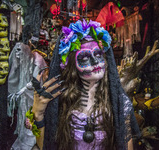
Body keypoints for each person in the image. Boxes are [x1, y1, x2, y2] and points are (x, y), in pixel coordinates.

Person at [27, 19, 140, 150]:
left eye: (98, 55)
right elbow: (46, 146)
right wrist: (39, 115)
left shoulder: (118, 103)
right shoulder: (60, 102)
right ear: (72, 65)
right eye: (85, 58)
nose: (95, 62)